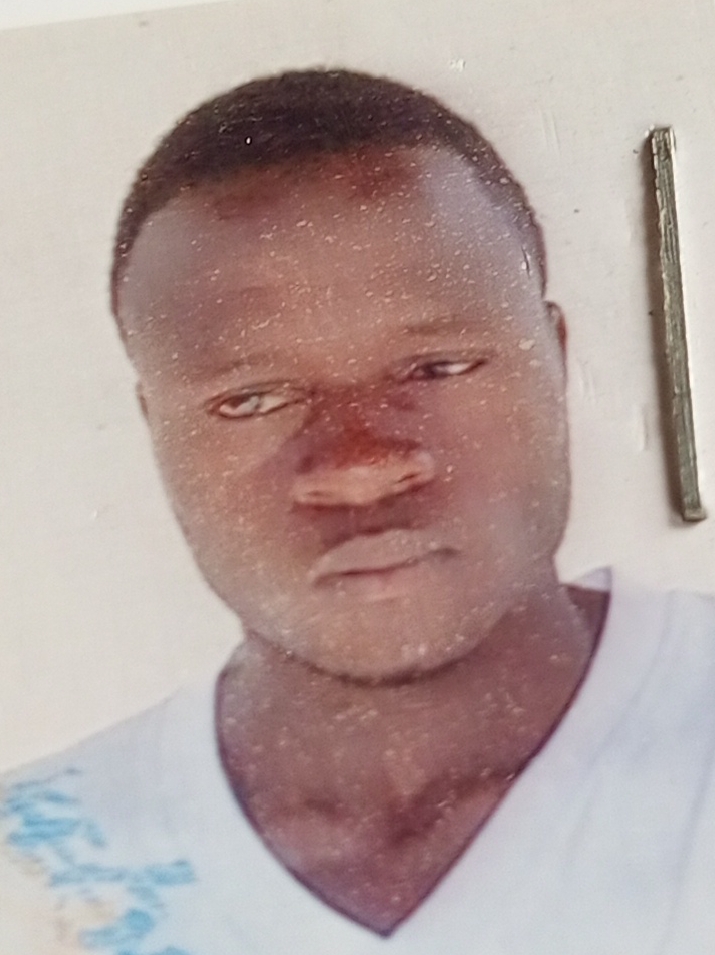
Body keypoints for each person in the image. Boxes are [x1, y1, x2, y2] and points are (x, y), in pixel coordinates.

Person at [1, 68, 715, 955]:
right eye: (252, 399)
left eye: (436, 368)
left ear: (554, 358)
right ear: (157, 430)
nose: (359, 468)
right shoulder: (25, 883)